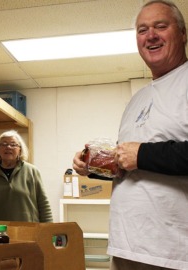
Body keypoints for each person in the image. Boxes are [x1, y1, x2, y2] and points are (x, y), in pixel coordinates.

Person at [73, 1, 188, 269]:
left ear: (183, 34)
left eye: (161, 26)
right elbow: (126, 164)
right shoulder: (138, 99)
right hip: (127, 246)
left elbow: (140, 156)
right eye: (142, 29)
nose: (151, 35)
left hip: (174, 253)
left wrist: (143, 154)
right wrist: (92, 165)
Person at [0, 130, 53, 223]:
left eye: (13, 144)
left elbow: (44, 205)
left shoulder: (32, 172)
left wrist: (48, 229)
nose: (8, 147)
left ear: (20, 150)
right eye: (4, 144)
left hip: (29, 232)